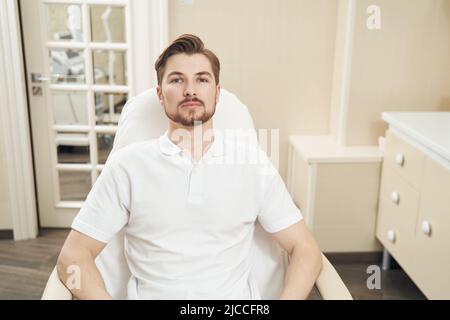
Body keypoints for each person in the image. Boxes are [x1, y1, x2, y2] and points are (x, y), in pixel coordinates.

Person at [57, 34, 322, 300]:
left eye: (202, 79)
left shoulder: (253, 164)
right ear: (160, 94)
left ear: (217, 93)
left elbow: (305, 249)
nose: (190, 90)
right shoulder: (127, 166)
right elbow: (72, 257)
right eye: (177, 79)